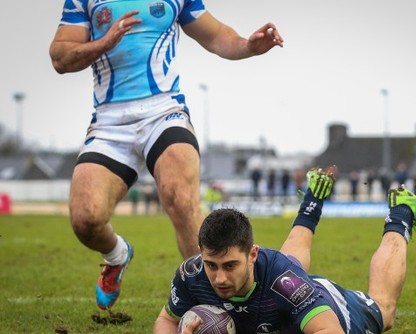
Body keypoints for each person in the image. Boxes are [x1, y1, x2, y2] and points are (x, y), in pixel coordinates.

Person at [49, 0, 284, 310]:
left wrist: (248, 45)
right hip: (109, 121)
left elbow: (215, 35)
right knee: (85, 220)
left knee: (181, 199)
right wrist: (104, 42)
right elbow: (61, 57)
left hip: (163, 111)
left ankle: (211, 306)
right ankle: (117, 255)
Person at [153, 167, 416, 334]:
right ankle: (314, 197)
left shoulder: (283, 279)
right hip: (283, 284)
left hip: (327, 302)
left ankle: (402, 212)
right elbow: (165, 320)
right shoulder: (192, 274)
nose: (218, 278)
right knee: (289, 264)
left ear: (252, 254)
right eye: (211, 265)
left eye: (230, 266)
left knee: (384, 310)